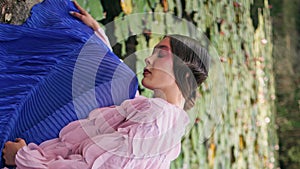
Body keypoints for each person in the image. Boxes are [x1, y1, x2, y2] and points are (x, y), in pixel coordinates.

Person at [2, 1, 210, 168]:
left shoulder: (157, 118)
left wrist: (23, 157)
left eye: (161, 54)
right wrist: (99, 34)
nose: (149, 59)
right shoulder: (169, 126)